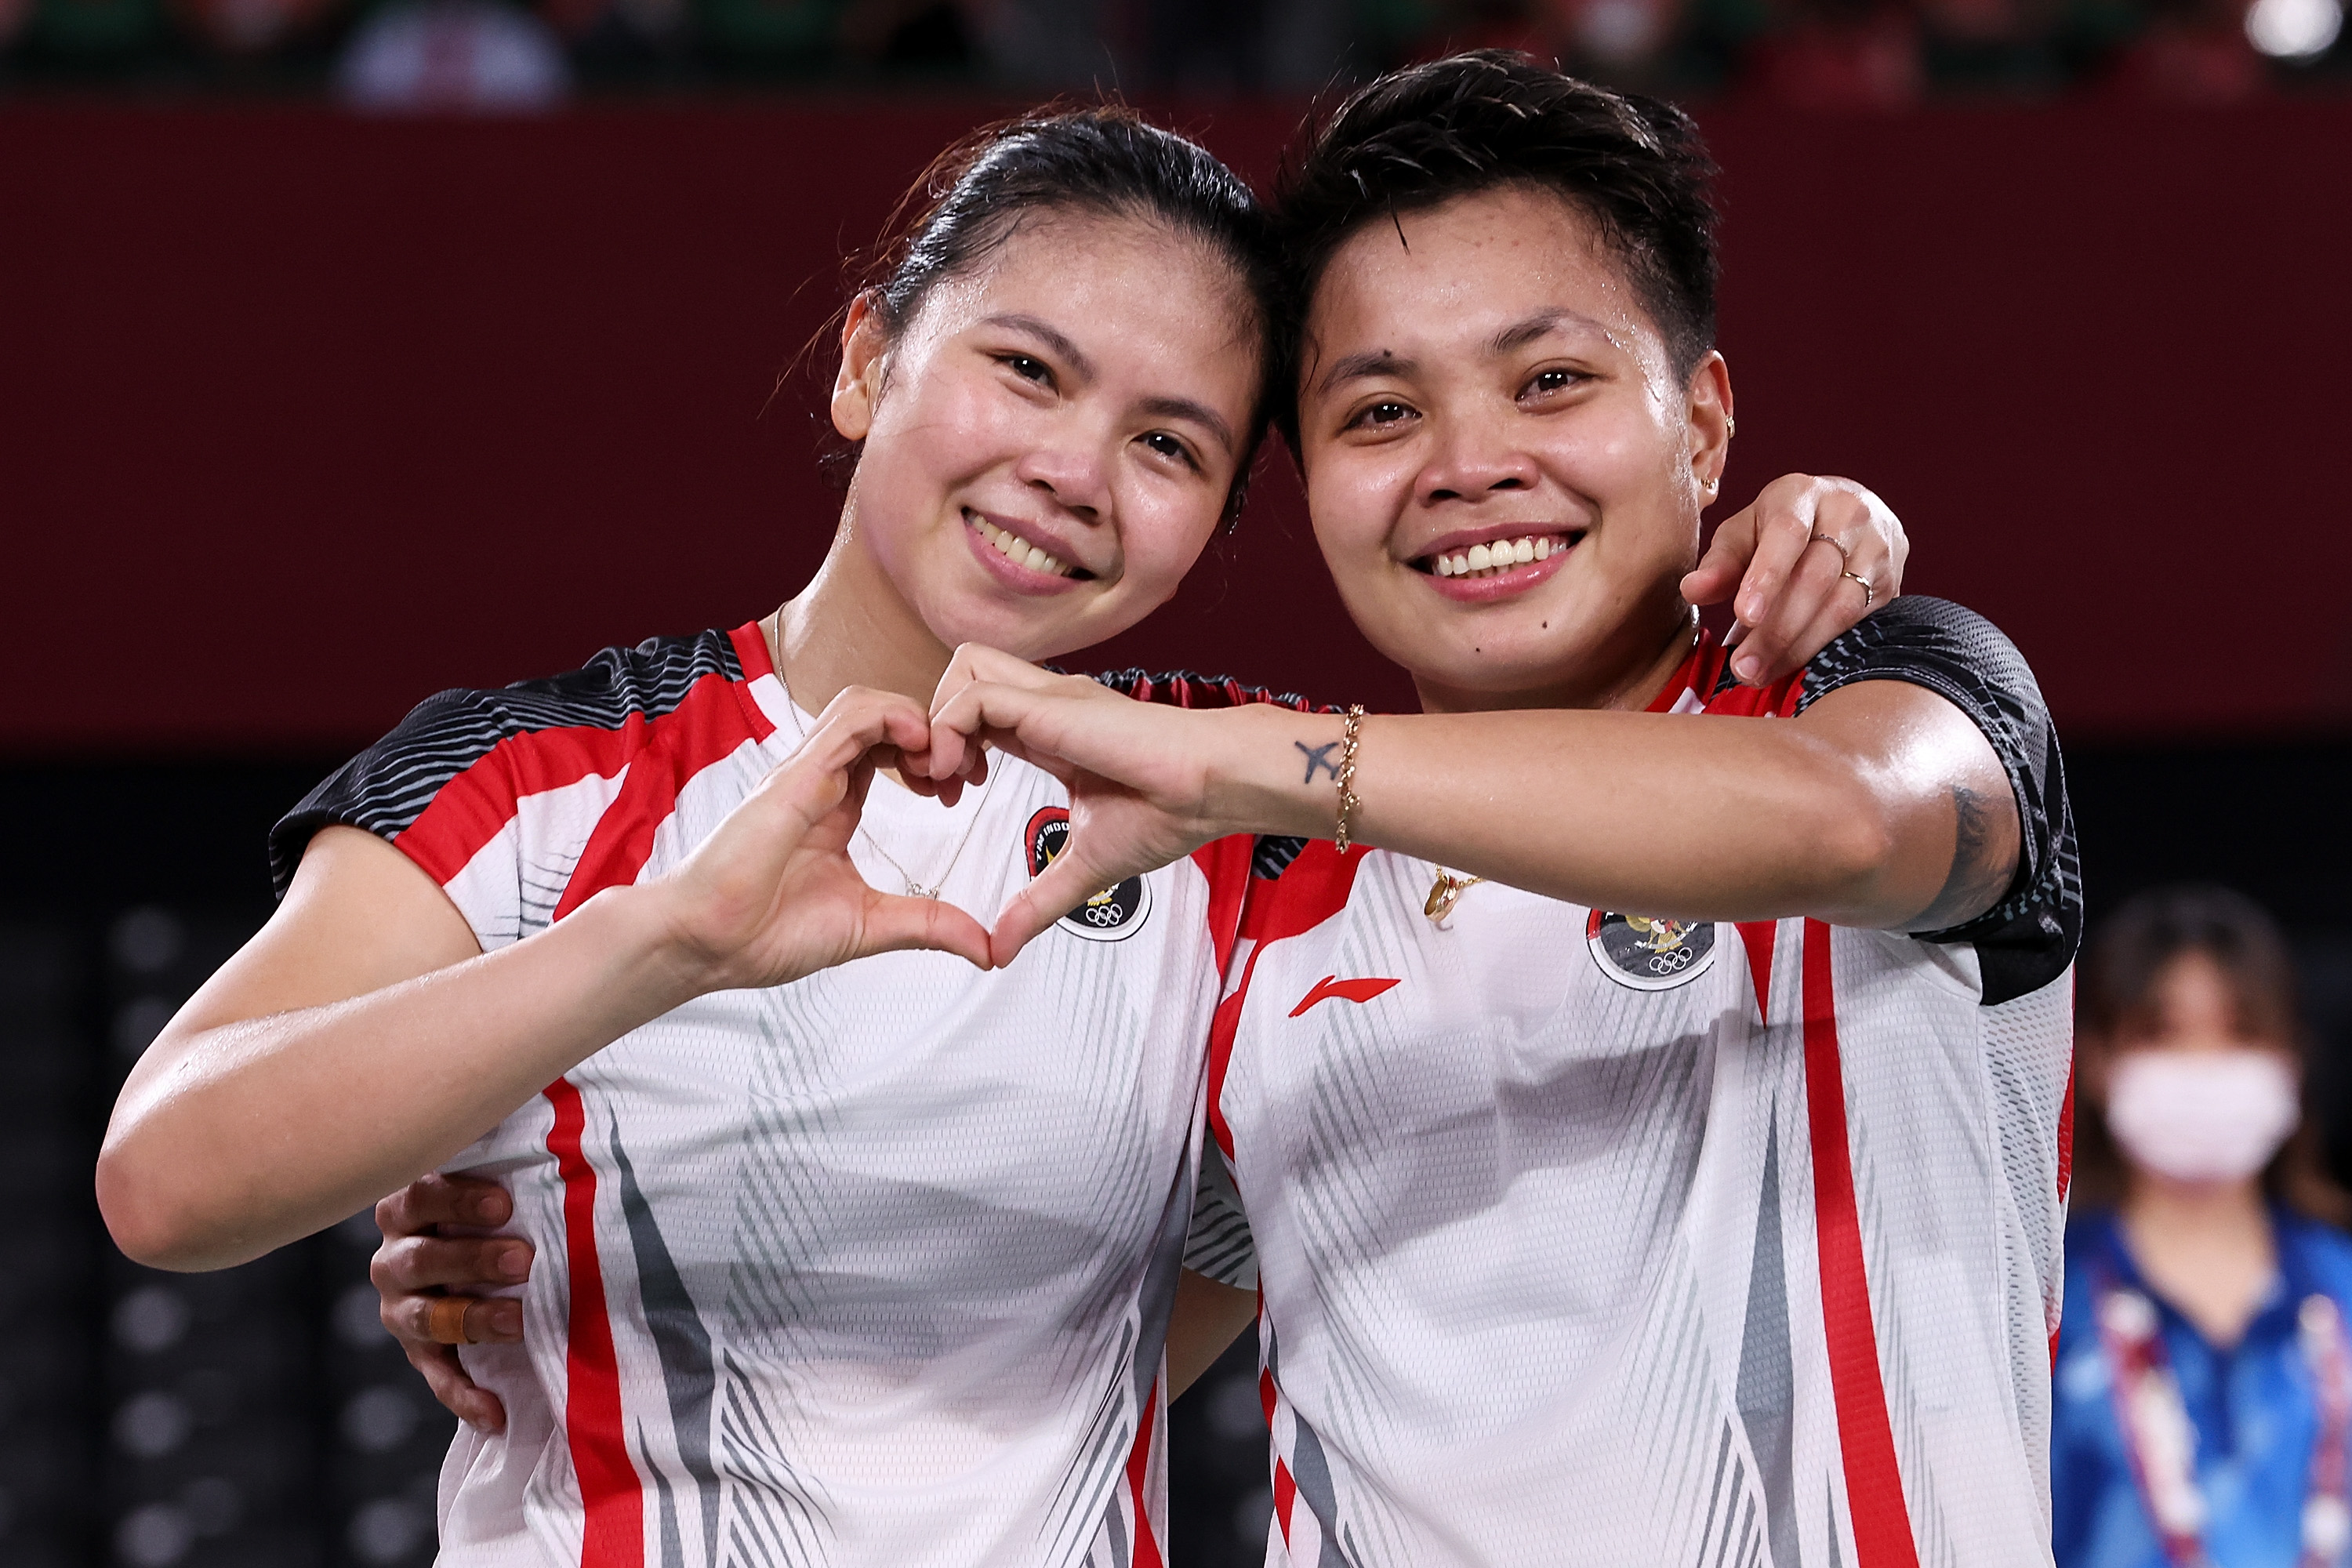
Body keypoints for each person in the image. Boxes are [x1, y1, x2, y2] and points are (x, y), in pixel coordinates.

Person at [98, 100, 1895, 1567]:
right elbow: (168, 1178)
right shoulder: (542, 772)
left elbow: (1222, 1245)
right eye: (1026, 371)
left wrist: (1805, 518)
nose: (1074, 472)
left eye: (1171, 444)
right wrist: (660, 945)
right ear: (869, 358)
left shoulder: (1217, 801)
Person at [899, 52, 2078, 1564]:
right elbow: (1048, 1387)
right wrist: (525, 1271)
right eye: (1381, 411)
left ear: (1705, 427)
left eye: (1552, 381)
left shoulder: (1881, 689)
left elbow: (1850, 822)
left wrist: (1271, 760)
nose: (1469, 465)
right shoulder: (1259, 908)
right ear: (1310, 479)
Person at [2052, 886, 2352, 1568]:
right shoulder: (2041, 1311)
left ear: (2292, 1059)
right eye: (2163, 1033)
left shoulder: (2343, 1284)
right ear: (2098, 1060)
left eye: (2241, 1032)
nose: (2203, 1063)